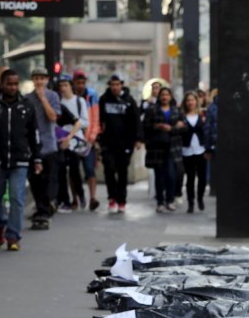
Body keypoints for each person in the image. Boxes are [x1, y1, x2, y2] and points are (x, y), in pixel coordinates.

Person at [0, 68, 40, 251]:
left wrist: (37, 158)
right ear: (2, 84)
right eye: (9, 84)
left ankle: (13, 235)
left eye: (16, 84)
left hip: (20, 160)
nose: (13, 87)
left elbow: (34, 134)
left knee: (17, 198)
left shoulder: (26, 106)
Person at [98, 73, 142, 214]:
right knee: (109, 170)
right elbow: (99, 120)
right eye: (112, 84)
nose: (115, 87)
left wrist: (138, 139)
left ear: (121, 85)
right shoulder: (104, 100)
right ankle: (112, 198)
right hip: (108, 142)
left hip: (125, 143)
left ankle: (121, 200)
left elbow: (136, 120)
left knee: (122, 172)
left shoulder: (129, 100)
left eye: (117, 84)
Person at [25, 66, 61, 230]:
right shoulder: (26, 98)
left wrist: (43, 98)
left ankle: (44, 211)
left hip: (49, 145)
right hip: (33, 147)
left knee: (48, 182)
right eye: (36, 78)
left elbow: (53, 117)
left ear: (47, 80)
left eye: (42, 78)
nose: (39, 81)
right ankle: (42, 210)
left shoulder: (53, 96)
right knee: (35, 181)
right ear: (33, 80)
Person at [142, 86, 186, 212]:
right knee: (159, 175)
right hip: (157, 147)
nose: (164, 97)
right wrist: (157, 126)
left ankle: (170, 199)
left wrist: (172, 128)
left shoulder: (176, 111)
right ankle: (160, 201)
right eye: (162, 95)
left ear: (171, 97)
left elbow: (184, 127)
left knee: (172, 174)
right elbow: (145, 126)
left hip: (173, 147)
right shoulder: (152, 110)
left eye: (167, 94)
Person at [55, 74, 88, 212]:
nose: (63, 88)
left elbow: (84, 122)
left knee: (75, 171)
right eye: (61, 86)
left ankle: (80, 195)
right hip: (60, 140)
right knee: (61, 171)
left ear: (70, 86)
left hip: (75, 141)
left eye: (65, 85)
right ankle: (65, 201)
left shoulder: (79, 101)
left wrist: (70, 136)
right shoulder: (57, 102)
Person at [72, 70, 101, 211]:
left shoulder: (91, 95)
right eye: (78, 83)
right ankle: (75, 199)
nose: (81, 85)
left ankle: (93, 198)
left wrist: (92, 136)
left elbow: (95, 118)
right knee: (73, 171)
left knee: (90, 170)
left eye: (83, 83)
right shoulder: (69, 96)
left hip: (88, 140)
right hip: (73, 140)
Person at [180, 90, 209, 213]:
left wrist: (208, 149)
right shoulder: (181, 116)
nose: (190, 102)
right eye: (188, 100)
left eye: (192, 100)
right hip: (187, 151)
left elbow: (207, 133)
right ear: (185, 103)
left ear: (196, 101)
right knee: (190, 179)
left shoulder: (202, 115)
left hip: (200, 150)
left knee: (202, 178)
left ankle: (200, 198)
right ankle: (190, 202)